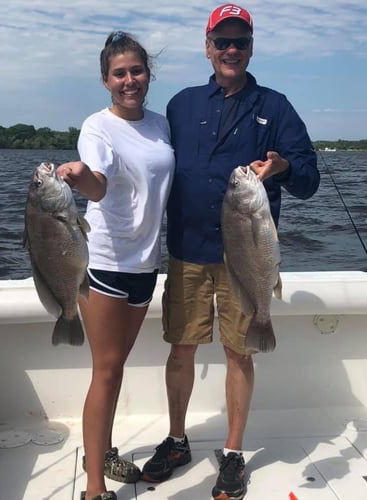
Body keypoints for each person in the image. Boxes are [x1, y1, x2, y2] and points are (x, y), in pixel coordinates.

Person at [142, 4, 320, 500]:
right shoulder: (180, 105)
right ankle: (177, 441)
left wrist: (283, 166)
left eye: (240, 41)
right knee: (181, 346)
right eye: (222, 41)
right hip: (186, 251)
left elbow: (310, 179)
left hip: (247, 257)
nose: (231, 50)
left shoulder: (276, 105)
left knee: (240, 352)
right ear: (208, 46)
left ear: (250, 48)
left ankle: (234, 452)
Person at [57, 31, 175, 500]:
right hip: (105, 261)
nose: (130, 81)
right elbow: (99, 186)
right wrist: (81, 177)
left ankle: (101, 450)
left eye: (137, 71)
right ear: (106, 80)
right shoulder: (97, 127)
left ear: (148, 74)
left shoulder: (162, 124)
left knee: (117, 365)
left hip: (146, 262)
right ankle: (93, 487)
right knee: (105, 369)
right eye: (120, 73)